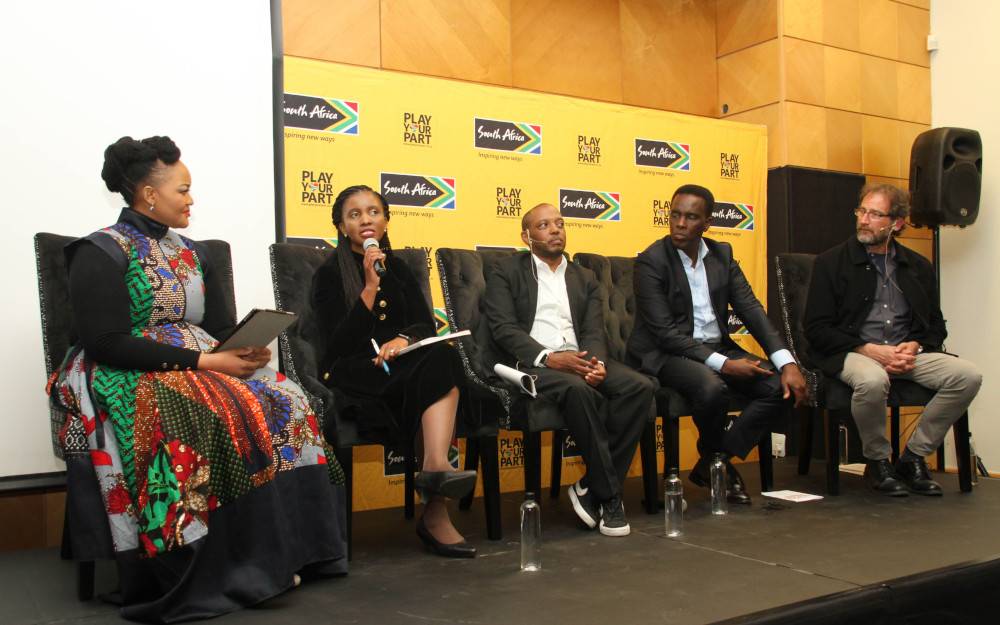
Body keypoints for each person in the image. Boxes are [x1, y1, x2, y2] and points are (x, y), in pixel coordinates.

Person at [47, 136, 347, 622]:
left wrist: (244, 347)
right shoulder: (99, 250)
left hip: (203, 359)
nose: (191, 200)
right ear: (149, 194)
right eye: (183, 190)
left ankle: (291, 553)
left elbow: (219, 328)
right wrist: (207, 363)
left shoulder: (193, 252)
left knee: (284, 397)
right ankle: (218, 568)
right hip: (126, 369)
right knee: (196, 407)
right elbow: (106, 342)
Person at [311, 184, 477, 558]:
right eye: (354, 214)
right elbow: (336, 345)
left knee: (443, 356)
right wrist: (369, 288)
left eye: (373, 211)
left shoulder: (398, 268)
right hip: (354, 371)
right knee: (432, 376)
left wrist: (403, 339)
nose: (365, 220)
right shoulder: (329, 274)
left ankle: (435, 471)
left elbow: (423, 325)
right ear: (341, 226)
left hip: (400, 365)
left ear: (385, 220)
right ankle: (436, 505)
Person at [483, 203, 655, 537]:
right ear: (526, 236)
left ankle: (591, 486)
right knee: (576, 388)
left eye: (559, 223)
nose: (555, 230)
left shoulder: (584, 277)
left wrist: (597, 364)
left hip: (580, 357)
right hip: (534, 363)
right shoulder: (506, 271)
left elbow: (593, 330)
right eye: (544, 225)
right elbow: (504, 328)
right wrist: (549, 357)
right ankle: (610, 497)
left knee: (639, 386)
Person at [628, 184, 807, 505]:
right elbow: (666, 334)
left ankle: (715, 460)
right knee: (712, 387)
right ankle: (716, 463)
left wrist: (788, 363)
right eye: (675, 215)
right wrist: (724, 364)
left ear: (707, 223)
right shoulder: (651, 261)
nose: (679, 223)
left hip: (716, 347)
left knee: (778, 386)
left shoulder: (721, 255)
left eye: (690, 217)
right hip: (666, 354)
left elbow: (752, 310)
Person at [804, 183, 982, 496]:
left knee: (968, 376)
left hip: (906, 353)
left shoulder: (917, 266)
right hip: (854, 351)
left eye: (875, 214)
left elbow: (935, 326)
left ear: (896, 223)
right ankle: (877, 462)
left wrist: (915, 345)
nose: (864, 220)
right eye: (862, 211)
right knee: (872, 380)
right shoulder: (831, 263)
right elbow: (816, 328)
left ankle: (913, 458)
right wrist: (868, 350)